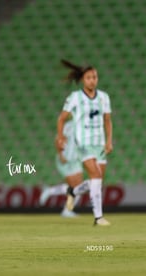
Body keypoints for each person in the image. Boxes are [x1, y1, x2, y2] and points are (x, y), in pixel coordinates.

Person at [56, 59, 113, 226]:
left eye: (95, 76)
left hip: (99, 143)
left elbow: (107, 121)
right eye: (89, 77)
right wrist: (61, 137)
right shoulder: (74, 97)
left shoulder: (104, 97)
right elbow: (62, 119)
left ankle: (73, 191)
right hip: (83, 143)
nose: (92, 80)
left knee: (98, 179)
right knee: (95, 175)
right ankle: (98, 217)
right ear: (83, 79)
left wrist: (109, 141)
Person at [40, 116, 90, 217]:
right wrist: (61, 154)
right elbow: (59, 139)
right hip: (66, 159)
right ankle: (64, 207)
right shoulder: (69, 125)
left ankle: (64, 207)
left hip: (76, 160)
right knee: (75, 187)